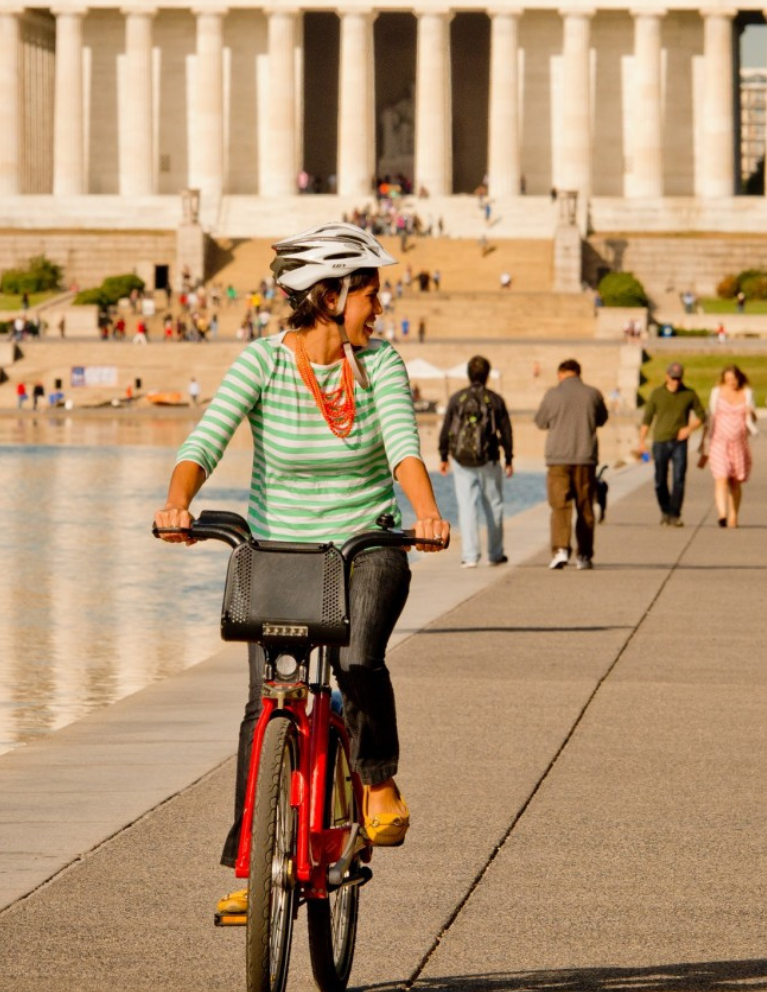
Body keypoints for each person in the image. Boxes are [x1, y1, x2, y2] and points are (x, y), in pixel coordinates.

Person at [153, 223, 448, 925]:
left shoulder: (379, 366)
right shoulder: (261, 363)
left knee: (358, 659)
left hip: (365, 543)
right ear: (330, 295)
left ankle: (376, 782)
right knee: (265, 705)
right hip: (282, 554)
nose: (379, 308)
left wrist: (427, 515)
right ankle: (255, 871)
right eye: (369, 295)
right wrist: (177, 502)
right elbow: (207, 437)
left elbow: (405, 448)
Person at [436, 355, 514, 569]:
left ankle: (470, 556)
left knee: (467, 507)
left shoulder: (457, 399)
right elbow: (505, 431)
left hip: (462, 461)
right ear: (487, 375)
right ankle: (495, 554)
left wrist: (443, 456)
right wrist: (509, 458)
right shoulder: (495, 400)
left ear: (468, 375)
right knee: (494, 506)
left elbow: (446, 430)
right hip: (489, 459)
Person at [534, 358, 607, 569]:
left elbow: (540, 422)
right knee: (585, 506)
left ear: (560, 374)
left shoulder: (552, 394)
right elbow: (601, 419)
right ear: (579, 373)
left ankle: (560, 549)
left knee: (560, 506)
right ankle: (584, 555)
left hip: (558, 459)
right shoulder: (593, 394)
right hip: (585, 458)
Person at [637, 362, 705, 528]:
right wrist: (641, 442)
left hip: (679, 443)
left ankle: (675, 514)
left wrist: (689, 429)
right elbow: (647, 419)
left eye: (678, 378)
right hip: (660, 441)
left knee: (678, 479)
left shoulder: (689, 394)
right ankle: (665, 510)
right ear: (667, 376)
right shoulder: (657, 394)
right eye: (673, 378)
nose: (676, 381)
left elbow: (702, 416)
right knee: (660, 480)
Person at [699, 365, 757, 527]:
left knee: (735, 481)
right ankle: (722, 514)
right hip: (719, 442)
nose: (731, 383)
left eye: (733, 379)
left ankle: (734, 516)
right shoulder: (717, 392)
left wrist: (751, 413)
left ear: (739, 378)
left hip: (739, 443)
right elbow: (711, 415)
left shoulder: (747, 393)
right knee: (721, 477)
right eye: (727, 380)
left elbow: (752, 418)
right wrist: (705, 440)